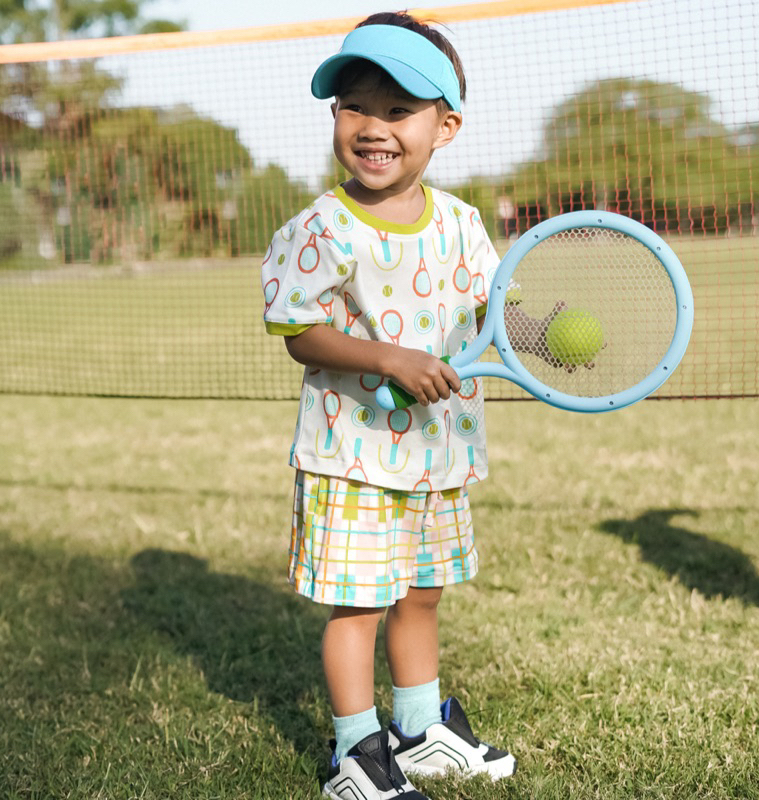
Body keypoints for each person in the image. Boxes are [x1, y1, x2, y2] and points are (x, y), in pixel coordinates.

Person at [261, 12, 518, 799]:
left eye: (398, 109)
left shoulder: (465, 225)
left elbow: (491, 313)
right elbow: (299, 331)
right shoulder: (321, 227)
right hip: (355, 456)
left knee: (422, 591)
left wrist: (535, 332)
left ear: (446, 127)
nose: (373, 126)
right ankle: (354, 753)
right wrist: (385, 357)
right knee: (359, 605)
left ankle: (417, 729)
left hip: (437, 455)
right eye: (354, 105)